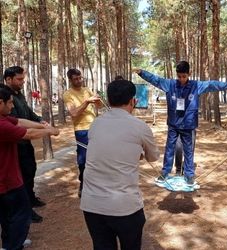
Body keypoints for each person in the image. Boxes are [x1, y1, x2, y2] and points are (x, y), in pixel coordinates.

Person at [80, 79, 159, 250]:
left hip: (92, 205)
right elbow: (153, 157)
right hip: (125, 207)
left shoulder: (96, 124)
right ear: (133, 101)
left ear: (108, 101)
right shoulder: (140, 126)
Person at [133, 61, 227, 185]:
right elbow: (155, 80)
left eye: (184, 76)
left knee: (188, 150)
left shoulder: (195, 86)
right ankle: (165, 172)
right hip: (173, 124)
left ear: (189, 74)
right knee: (169, 149)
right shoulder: (170, 84)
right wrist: (142, 73)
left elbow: (211, 85)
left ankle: (189, 175)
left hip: (188, 125)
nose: (182, 79)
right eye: (179, 76)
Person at [0, 84, 59, 250]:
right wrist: (50, 131)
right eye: (10, 103)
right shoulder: (1, 125)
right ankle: (13, 245)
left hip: (7, 178)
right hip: (6, 180)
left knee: (7, 215)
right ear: (0, 103)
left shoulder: (4, 118)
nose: (12, 106)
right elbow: (28, 134)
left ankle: (8, 243)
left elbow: (20, 122)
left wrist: (43, 125)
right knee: (22, 213)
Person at [4, 66, 45, 223]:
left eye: (23, 79)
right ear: (8, 79)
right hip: (16, 144)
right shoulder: (5, 97)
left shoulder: (18, 94)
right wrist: (42, 130)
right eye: (19, 79)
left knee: (30, 170)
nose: (22, 82)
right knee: (22, 176)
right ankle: (26, 209)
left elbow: (28, 111)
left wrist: (39, 120)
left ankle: (31, 198)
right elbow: (16, 121)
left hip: (25, 143)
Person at [63, 68, 101, 198]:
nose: (79, 81)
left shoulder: (87, 90)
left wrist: (98, 101)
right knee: (83, 159)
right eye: (76, 79)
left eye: (80, 78)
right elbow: (73, 113)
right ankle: (83, 184)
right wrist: (87, 102)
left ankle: (96, 183)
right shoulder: (68, 94)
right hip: (81, 129)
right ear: (70, 80)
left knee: (97, 156)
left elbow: (98, 107)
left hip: (95, 127)